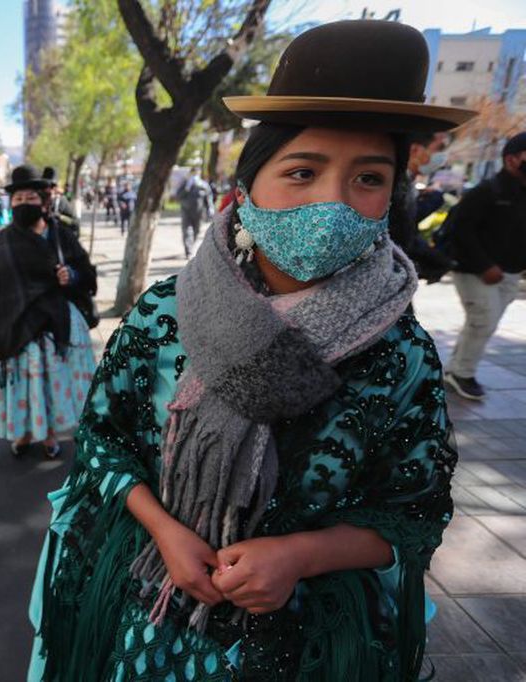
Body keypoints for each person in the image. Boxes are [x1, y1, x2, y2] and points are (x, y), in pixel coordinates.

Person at [28, 20, 473, 681]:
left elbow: (414, 510)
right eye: (301, 171)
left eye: (368, 178)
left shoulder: (399, 352)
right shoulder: (161, 315)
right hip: (151, 620)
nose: (332, 202)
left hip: (310, 647)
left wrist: (300, 556)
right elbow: (103, 440)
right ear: (245, 185)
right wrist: (165, 531)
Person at [0, 165, 97, 460]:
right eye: (17, 199)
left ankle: (50, 434)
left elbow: (86, 272)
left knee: (49, 384)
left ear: (42, 201)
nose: (23, 204)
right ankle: (24, 433)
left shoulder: (62, 236)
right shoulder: (0, 241)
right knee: (24, 384)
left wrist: (72, 275)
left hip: (56, 324)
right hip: (15, 324)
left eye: (29, 198)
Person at [438, 131, 526, 400]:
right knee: (483, 321)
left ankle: (454, 369)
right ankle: (463, 373)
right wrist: (485, 265)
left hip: (509, 274)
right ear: (512, 159)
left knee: (483, 324)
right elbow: (460, 231)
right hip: (476, 272)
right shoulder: (486, 191)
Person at [388, 132, 455, 283]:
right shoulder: (396, 182)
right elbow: (401, 226)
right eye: (439, 148)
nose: (441, 156)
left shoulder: (406, 182)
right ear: (415, 150)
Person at [175, 167, 214, 257]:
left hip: (199, 212)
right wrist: (187, 188)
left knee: (196, 230)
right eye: (194, 173)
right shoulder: (185, 184)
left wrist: (210, 209)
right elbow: (177, 196)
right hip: (186, 211)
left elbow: (208, 198)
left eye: (197, 173)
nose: (195, 175)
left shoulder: (203, 185)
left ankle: (191, 245)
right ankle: (188, 250)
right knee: (187, 231)